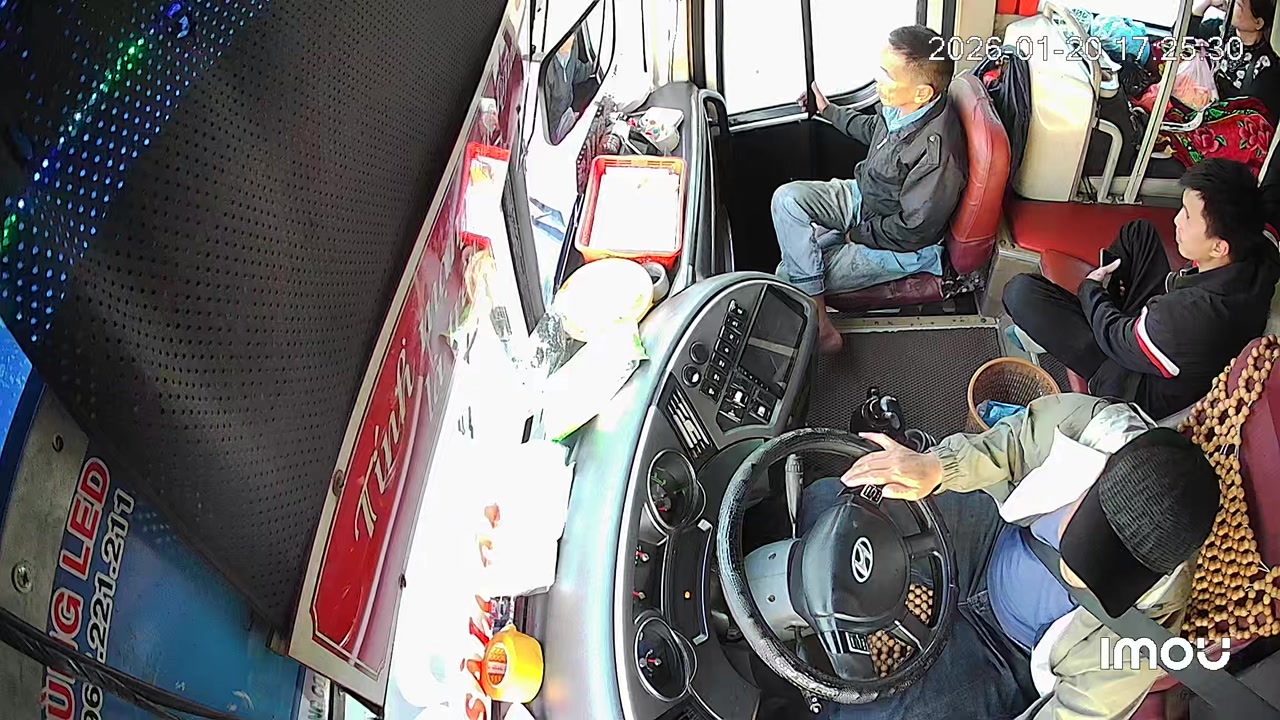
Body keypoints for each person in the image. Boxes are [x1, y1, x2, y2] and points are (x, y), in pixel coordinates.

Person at [801, 393, 1220, 719]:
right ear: (1096, 476)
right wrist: (938, 467)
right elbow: (1012, 445)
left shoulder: (1145, 637)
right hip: (989, 537)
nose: (1077, 575)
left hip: (1009, 654)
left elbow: (1078, 712)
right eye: (1085, 543)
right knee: (828, 505)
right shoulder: (1085, 427)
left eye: (1106, 573)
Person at [1004, 158, 1280, 420]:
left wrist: (1091, 289)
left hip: (1133, 382)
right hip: (1164, 332)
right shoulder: (1261, 249)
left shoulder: (1188, 315)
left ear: (1219, 247)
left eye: (1188, 217)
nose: (1176, 220)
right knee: (1138, 234)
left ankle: (1086, 321)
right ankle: (1103, 317)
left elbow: (1117, 337)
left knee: (1021, 293)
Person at [772, 25, 967, 354]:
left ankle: (822, 328)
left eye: (887, 75)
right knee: (787, 200)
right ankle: (820, 315)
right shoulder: (902, 107)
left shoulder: (937, 155)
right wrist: (829, 110)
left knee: (788, 275)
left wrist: (858, 234)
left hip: (897, 243)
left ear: (922, 93)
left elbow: (914, 230)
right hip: (865, 198)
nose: (878, 80)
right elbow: (874, 129)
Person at [1190, 0, 1280, 121]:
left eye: (1238, 5)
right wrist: (1204, 5)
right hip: (1194, 109)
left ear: (1258, 23)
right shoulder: (1218, 31)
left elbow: (1255, 117)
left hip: (1225, 122)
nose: (1231, 5)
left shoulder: (1265, 66)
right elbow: (1181, 41)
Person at [543, 32, 595, 142]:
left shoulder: (572, 49)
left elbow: (577, 72)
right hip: (552, 128)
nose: (570, 40)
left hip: (566, 114)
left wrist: (595, 66)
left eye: (572, 36)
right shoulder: (547, 69)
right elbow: (543, 116)